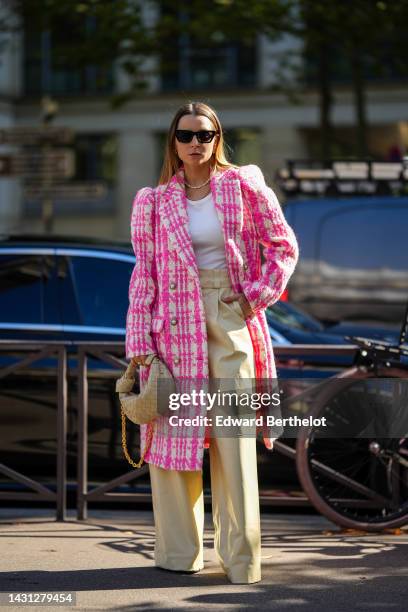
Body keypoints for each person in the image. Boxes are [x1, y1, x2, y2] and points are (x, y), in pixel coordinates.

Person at [125, 101, 299, 584]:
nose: (196, 143)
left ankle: (242, 561)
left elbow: (283, 245)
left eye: (205, 134)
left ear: (218, 138)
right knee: (172, 444)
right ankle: (179, 555)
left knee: (235, 443)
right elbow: (145, 274)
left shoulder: (243, 184)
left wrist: (252, 299)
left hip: (230, 317)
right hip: (171, 326)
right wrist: (139, 340)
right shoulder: (153, 200)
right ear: (173, 142)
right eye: (186, 135)